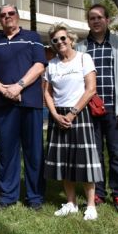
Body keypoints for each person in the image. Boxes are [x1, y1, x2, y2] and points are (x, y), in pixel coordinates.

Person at [0, 4, 47, 210]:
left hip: (31, 104)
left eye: (11, 14)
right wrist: (3, 89)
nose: (7, 17)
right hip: (4, 105)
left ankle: (34, 197)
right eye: (3, 15)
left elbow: (39, 65)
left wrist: (18, 86)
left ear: (18, 16)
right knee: (7, 153)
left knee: (33, 152)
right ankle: (8, 196)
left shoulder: (32, 37)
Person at [76, 4, 118, 213]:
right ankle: (99, 193)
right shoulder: (82, 47)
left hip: (115, 109)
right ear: (88, 22)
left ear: (107, 20)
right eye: (91, 18)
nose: (95, 21)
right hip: (89, 110)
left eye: (99, 17)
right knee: (94, 153)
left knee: (117, 153)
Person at [44, 23, 103, 221]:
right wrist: (54, 115)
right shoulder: (52, 64)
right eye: (55, 40)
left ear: (70, 39)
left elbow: (91, 89)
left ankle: (91, 205)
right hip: (58, 116)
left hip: (79, 113)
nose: (59, 42)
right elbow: (47, 92)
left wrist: (72, 114)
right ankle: (71, 203)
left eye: (62, 38)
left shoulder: (83, 58)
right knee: (64, 161)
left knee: (84, 161)